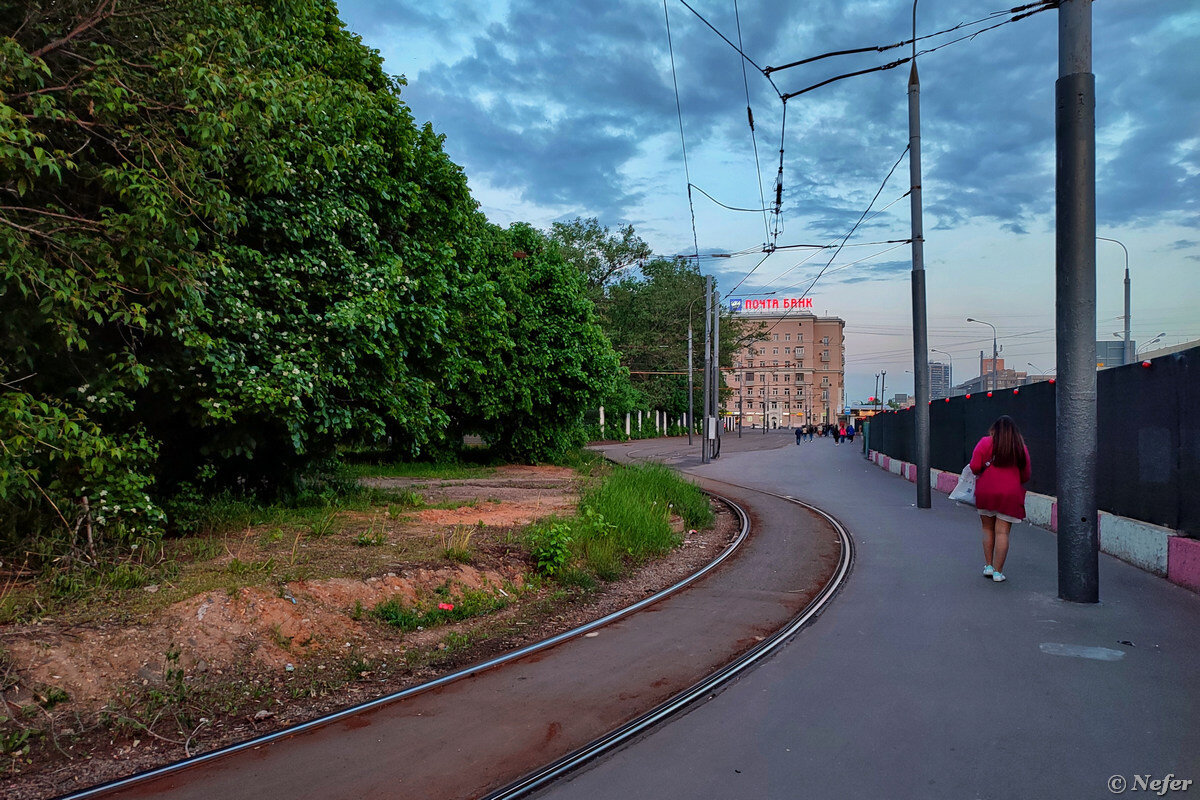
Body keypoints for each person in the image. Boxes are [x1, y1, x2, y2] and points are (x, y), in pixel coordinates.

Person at [971, 415, 1032, 583]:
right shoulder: (1020, 447)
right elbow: (1026, 475)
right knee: (1002, 532)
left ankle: (988, 566)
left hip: (986, 491)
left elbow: (975, 467)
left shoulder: (985, 442)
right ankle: (998, 572)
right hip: (1010, 494)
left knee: (987, 529)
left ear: (994, 429)